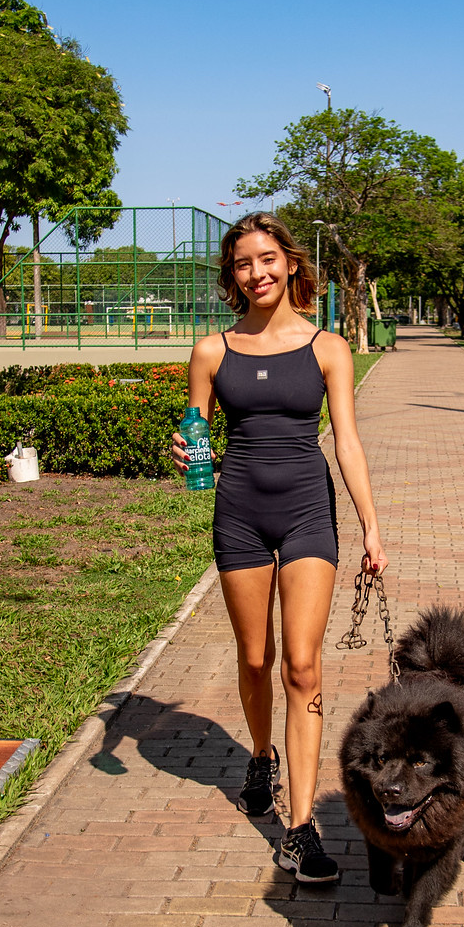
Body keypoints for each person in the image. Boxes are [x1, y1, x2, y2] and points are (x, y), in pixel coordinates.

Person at [171, 212, 386, 885]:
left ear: (291, 263)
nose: (257, 272)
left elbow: (347, 442)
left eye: (267, 259)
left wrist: (371, 525)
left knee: (302, 666)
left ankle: (300, 827)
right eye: (243, 263)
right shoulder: (211, 351)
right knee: (255, 657)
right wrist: (186, 454)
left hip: (307, 515)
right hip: (238, 514)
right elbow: (197, 435)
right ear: (232, 275)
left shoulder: (328, 347)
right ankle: (260, 757)